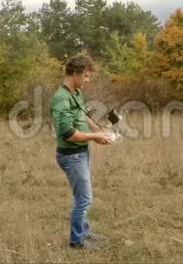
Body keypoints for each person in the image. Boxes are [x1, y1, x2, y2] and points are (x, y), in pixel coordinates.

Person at [50, 54, 113, 251]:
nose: (87, 80)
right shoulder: (61, 98)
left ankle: (84, 232)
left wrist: (98, 131)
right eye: (86, 76)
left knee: (83, 197)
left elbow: (83, 115)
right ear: (75, 73)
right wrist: (95, 137)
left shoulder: (75, 93)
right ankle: (77, 242)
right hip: (71, 155)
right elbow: (68, 134)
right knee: (84, 199)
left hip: (80, 152)